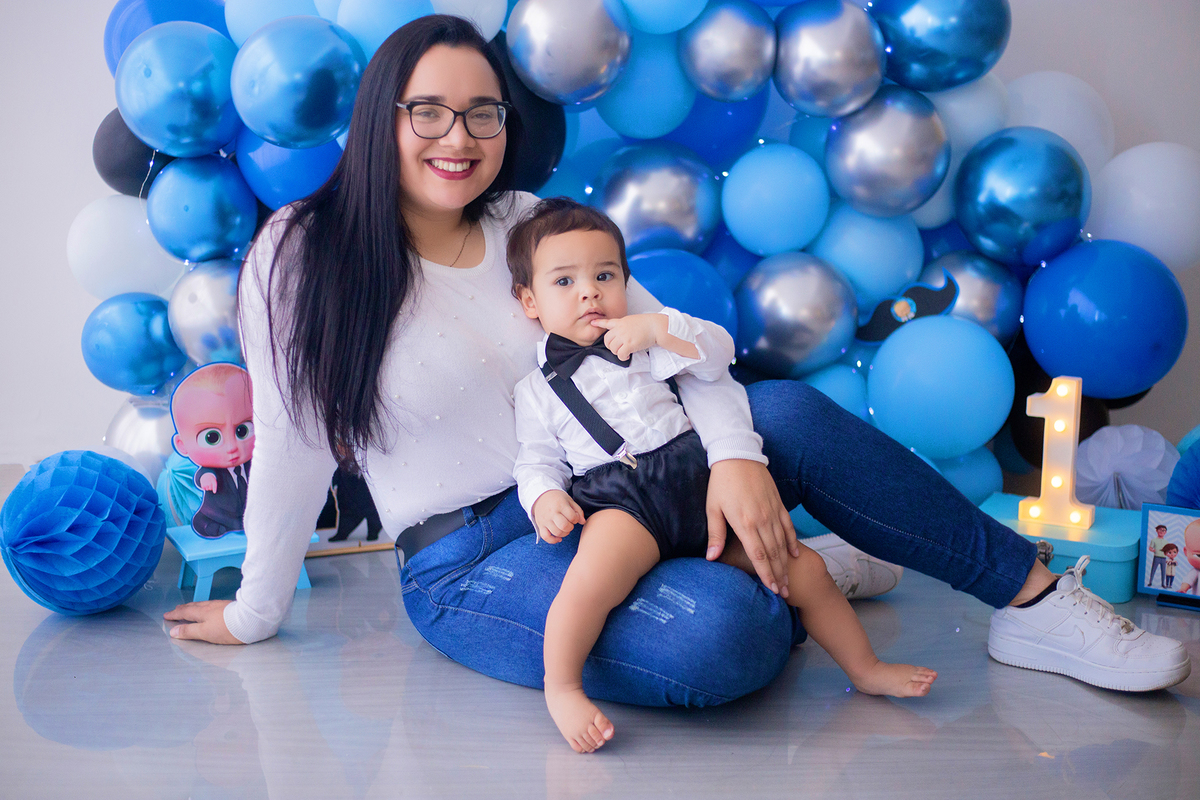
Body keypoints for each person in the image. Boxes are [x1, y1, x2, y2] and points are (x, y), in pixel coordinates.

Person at [164, 14, 1190, 700]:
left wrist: (738, 457)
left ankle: (1034, 602)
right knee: (721, 642)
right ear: (378, 116)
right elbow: (296, 443)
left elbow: (684, 353)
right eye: (426, 110)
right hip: (476, 554)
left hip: (630, 488)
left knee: (777, 413)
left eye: (481, 111)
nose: (458, 135)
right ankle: (798, 567)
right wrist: (256, 610)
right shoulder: (299, 253)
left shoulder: (527, 223)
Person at [508, 199, 936, 752]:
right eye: (564, 281)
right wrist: (543, 498)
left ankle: (865, 667)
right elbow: (536, 460)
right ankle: (562, 687)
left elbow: (716, 357)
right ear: (529, 302)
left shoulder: (645, 342)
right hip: (619, 500)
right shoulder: (535, 390)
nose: (589, 291)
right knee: (587, 584)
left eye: (604, 275)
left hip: (695, 480)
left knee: (799, 569)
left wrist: (661, 327)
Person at [169, 363, 255, 539]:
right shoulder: (210, 471)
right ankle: (212, 524)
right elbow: (202, 476)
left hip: (251, 511)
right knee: (206, 522)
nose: (232, 447)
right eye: (212, 438)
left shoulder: (254, 463)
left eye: (242, 431)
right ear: (182, 445)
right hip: (218, 513)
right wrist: (206, 478)